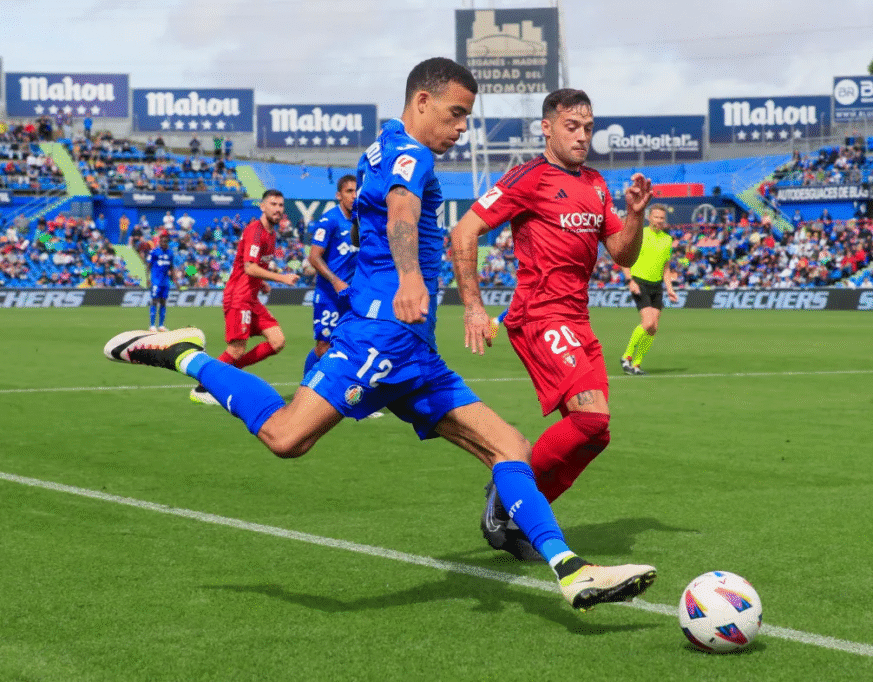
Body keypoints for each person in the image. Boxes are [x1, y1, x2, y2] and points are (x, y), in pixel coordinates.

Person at [103, 58, 655, 612]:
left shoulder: (385, 143)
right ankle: (184, 354)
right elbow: (400, 210)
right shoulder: (411, 154)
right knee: (286, 438)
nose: (462, 128)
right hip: (381, 338)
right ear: (422, 103)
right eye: (456, 113)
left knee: (509, 448)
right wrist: (412, 276)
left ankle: (572, 571)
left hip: (414, 348)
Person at [450, 88, 654, 559]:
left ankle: (517, 506)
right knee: (590, 417)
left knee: (596, 435)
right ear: (547, 127)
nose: (583, 137)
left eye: (588, 128)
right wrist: (474, 307)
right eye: (572, 127)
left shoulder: (597, 184)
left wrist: (635, 215)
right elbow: (464, 230)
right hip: (540, 316)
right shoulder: (528, 177)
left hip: (577, 320)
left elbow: (622, 253)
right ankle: (507, 497)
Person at [189, 189, 300, 405]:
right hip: (239, 296)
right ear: (262, 206)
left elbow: (249, 265)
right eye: (273, 204)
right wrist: (281, 278)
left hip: (251, 298)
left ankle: (226, 373)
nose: (278, 209)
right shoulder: (255, 231)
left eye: (280, 205)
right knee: (236, 349)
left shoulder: (271, 233)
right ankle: (202, 388)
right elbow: (249, 267)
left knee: (277, 341)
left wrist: (264, 282)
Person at [304, 174, 359, 375]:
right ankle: (306, 389)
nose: (354, 196)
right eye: (348, 191)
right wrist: (335, 280)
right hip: (330, 295)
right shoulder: (329, 220)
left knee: (353, 345)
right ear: (339, 195)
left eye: (356, 191)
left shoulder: (361, 222)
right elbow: (314, 257)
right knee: (323, 348)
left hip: (353, 295)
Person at [619, 203, 679, 376]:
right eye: (656, 217)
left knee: (653, 328)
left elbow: (666, 268)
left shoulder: (667, 239)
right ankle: (627, 356)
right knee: (648, 323)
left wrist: (669, 289)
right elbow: (624, 258)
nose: (659, 220)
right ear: (649, 217)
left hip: (657, 285)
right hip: (639, 282)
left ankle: (636, 365)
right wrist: (630, 280)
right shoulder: (640, 234)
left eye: (662, 218)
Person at [146, 231, 175, 331]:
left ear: (167, 242)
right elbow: (148, 265)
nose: (164, 243)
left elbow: (172, 267)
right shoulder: (154, 252)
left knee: (163, 302)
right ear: (159, 242)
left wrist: (175, 280)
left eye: (165, 242)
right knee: (154, 301)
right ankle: (152, 325)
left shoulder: (170, 253)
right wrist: (147, 279)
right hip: (156, 281)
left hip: (165, 282)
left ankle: (161, 325)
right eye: (162, 241)